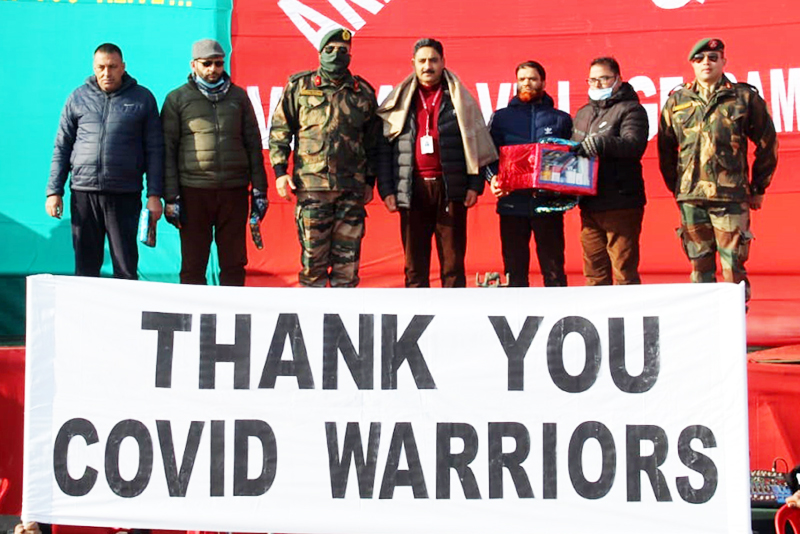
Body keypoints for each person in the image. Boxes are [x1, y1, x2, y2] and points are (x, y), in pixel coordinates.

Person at [658, 38, 778, 302]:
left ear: (724, 61)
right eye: (699, 59)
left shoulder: (744, 98)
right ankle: (706, 332)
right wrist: (679, 187)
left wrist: (758, 187)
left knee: (732, 269)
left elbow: (768, 143)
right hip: (691, 199)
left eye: (713, 58)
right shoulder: (677, 101)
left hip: (731, 198)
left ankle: (735, 332)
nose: (706, 63)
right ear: (692, 64)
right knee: (699, 270)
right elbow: (665, 150)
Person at [377, 38, 497, 288]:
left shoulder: (459, 99)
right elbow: (385, 150)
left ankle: (453, 320)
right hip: (412, 189)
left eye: (433, 60)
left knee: (453, 264)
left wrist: (475, 185)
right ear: (413, 64)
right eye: (422, 61)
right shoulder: (400, 101)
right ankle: (417, 319)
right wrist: (387, 190)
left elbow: (474, 142)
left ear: (443, 62)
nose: (427, 66)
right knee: (414, 265)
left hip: (450, 188)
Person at [269, 27, 381, 287]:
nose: (336, 55)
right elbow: (280, 130)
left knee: (347, 270)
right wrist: (279, 172)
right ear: (320, 53)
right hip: (312, 188)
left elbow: (374, 142)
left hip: (350, 191)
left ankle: (344, 324)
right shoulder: (300, 86)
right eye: (330, 50)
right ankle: (312, 325)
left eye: (342, 51)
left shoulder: (363, 92)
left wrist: (370, 182)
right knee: (313, 267)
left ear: (350, 55)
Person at [47, 43, 164, 279]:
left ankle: (127, 316)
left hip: (124, 195)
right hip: (83, 193)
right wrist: (54, 191)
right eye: (101, 67)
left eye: (112, 67)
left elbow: (155, 151)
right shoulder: (77, 97)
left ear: (123, 67)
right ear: (94, 67)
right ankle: (85, 316)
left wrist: (154, 196)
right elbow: (62, 146)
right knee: (86, 268)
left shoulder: (142, 98)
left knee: (125, 267)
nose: (106, 73)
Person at [162, 39, 268, 286]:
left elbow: (253, 145)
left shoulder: (239, 97)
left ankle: (233, 317)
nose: (212, 69)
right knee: (193, 264)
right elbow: (167, 150)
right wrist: (171, 196)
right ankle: (190, 317)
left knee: (234, 263)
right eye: (206, 63)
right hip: (193, 192)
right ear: (193, 65)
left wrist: (260, 190)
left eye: (218, 64)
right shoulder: (177, 99)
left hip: (234, 191)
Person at [486, 60, 574, 287]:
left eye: (533, 79)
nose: (527, 83)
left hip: (548, 204)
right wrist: (492, 178)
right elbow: (488, 155)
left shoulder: (561, 119)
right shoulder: (501, 117)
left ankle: (558, 316)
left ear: (543, 83)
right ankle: (517, 318)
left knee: (554, 270)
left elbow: (573, 159)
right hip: (512, 204)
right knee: (514, 271)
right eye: (522, 79)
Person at [571, 56, 648, 286]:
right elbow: (573, 151)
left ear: (618, 79)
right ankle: (597, 318)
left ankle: (629, 317)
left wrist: (602, 144)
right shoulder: (583, 113)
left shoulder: (632, 109)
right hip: (590, 203)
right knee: (594, 272)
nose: (597, 85)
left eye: (604, 79)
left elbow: (634, 145)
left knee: (624, 271)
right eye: (592, 80)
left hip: (621, 202)